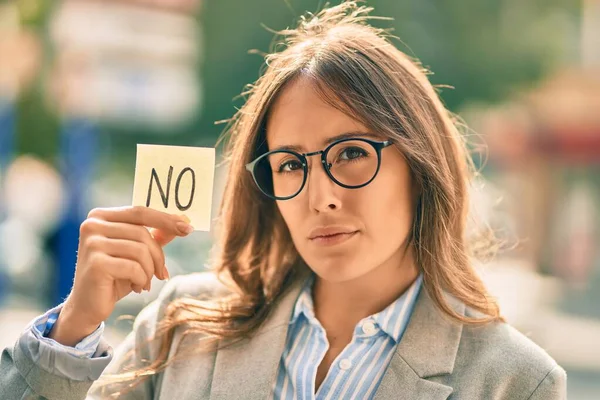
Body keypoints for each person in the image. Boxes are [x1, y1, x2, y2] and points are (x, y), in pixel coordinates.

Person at [0, 2, 566, 399]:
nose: (319, 197)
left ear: (419, 165)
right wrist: (73, 331)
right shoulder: (183, 325)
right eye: (291, 164)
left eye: (349, 154)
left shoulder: (513, 381)